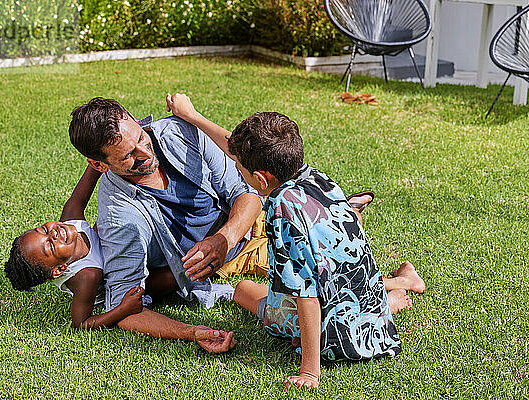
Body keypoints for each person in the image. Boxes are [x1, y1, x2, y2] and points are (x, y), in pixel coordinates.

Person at [166, 93, 426, 389]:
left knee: (244, 290)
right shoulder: (316, 178)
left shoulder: (282, 212)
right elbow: (239, 150)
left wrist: (310, 372)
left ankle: (391, 300)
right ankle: (391, 298)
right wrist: (192, 115)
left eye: (240, 169)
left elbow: (307, 296)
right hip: (369, 309)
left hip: (338, 339)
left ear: (261, 180)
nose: (236, 169)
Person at [4, 166, 236, 353]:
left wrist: (99, 160)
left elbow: (86, 183)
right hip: (115, 288)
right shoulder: (88, 276)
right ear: (60, 270)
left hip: (119, 254)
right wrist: (122, 309)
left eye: (44, 229)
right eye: (50, 245)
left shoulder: (70, 219)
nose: (54, 232)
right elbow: (81, 323)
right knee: (178, 274)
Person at [67, 97, 264, 317]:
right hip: (239, 257)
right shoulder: (117, 216)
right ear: (98, 165)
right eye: (128, 156)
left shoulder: (180, 132)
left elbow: (246, 193)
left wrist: (224, 239)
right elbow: (123, 301)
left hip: (251, 222)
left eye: (141, 137)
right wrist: (193, 332)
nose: (145, 153)